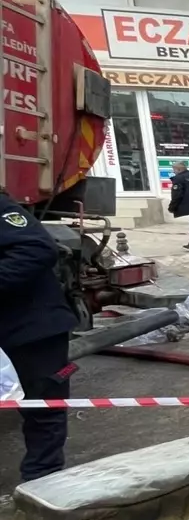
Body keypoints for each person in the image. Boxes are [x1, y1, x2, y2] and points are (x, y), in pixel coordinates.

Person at [0, 192, 79, 482]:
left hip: (32, 328)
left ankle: (42, 479)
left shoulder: (2, 208)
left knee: (44, 404)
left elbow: (36, 249)